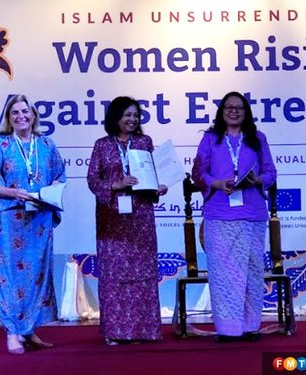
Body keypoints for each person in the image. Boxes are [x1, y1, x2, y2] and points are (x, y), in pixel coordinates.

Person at [0, 94, 66, 354]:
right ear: (8, 118)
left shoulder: (47, 145)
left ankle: (29, 330)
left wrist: (50, 194)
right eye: (14, 113)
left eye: (25, 111)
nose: (20, 116)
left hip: (39, 220)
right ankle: (12, 332)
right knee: (11, 278)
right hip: (10, 220)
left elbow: (60, 177)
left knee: (37, 275)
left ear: (33, 115)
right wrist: (13, 193)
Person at [191, 91, 278, 342]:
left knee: (251, 271)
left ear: (246, 112)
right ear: (221, 112)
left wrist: (258, 180)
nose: (233, 111)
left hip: (253, 214)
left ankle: (251, 326)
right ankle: (228, 329)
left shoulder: (257, 139)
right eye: (228, 107)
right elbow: (198, 172)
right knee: (224, 273)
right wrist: (216, 183)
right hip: (219, 214)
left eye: (239, 108)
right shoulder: (210, 139)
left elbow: (271, 173)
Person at [86, 96, 167, 346]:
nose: (131, 119)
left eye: (135, 115)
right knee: (114, 274)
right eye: (126, 115)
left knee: (142, 272)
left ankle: (145, 331)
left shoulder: (144, 142)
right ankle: (115, 332)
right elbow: (92, 180)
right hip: (112, 218)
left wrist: (157, 188)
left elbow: (151, 175)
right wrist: (115, 184)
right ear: (115, 117)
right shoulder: (102, 145)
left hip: (141, 216)